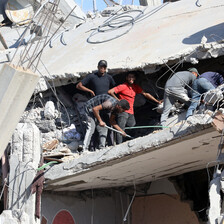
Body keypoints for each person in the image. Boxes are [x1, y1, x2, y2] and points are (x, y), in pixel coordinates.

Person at [108, 72, 162, 144]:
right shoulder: (123, 86)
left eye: (132, 77)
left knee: (132, 127)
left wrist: (157, 101)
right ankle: (119, 144)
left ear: (134, 78)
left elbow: (145, 94)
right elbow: (110, 92)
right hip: (123, 111)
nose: (131, 78)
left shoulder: (135, 87)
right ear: (127, 78)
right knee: (120, 129)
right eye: (129, 77)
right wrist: (118, 101)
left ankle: (129, 141)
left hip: (131, 112)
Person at [76, 60, 116, 147]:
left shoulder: (109, 77)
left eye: (104, 67)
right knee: (93, 127)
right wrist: (90, 90)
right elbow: (79, 85)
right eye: (101, 67)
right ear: (98, 67)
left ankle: (110, 144)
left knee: (108, 125)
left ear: (106, 68)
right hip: (95, 105)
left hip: (106, 105)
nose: (102, 69)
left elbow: (114, 89)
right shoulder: (92, 76)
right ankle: (92, 146)